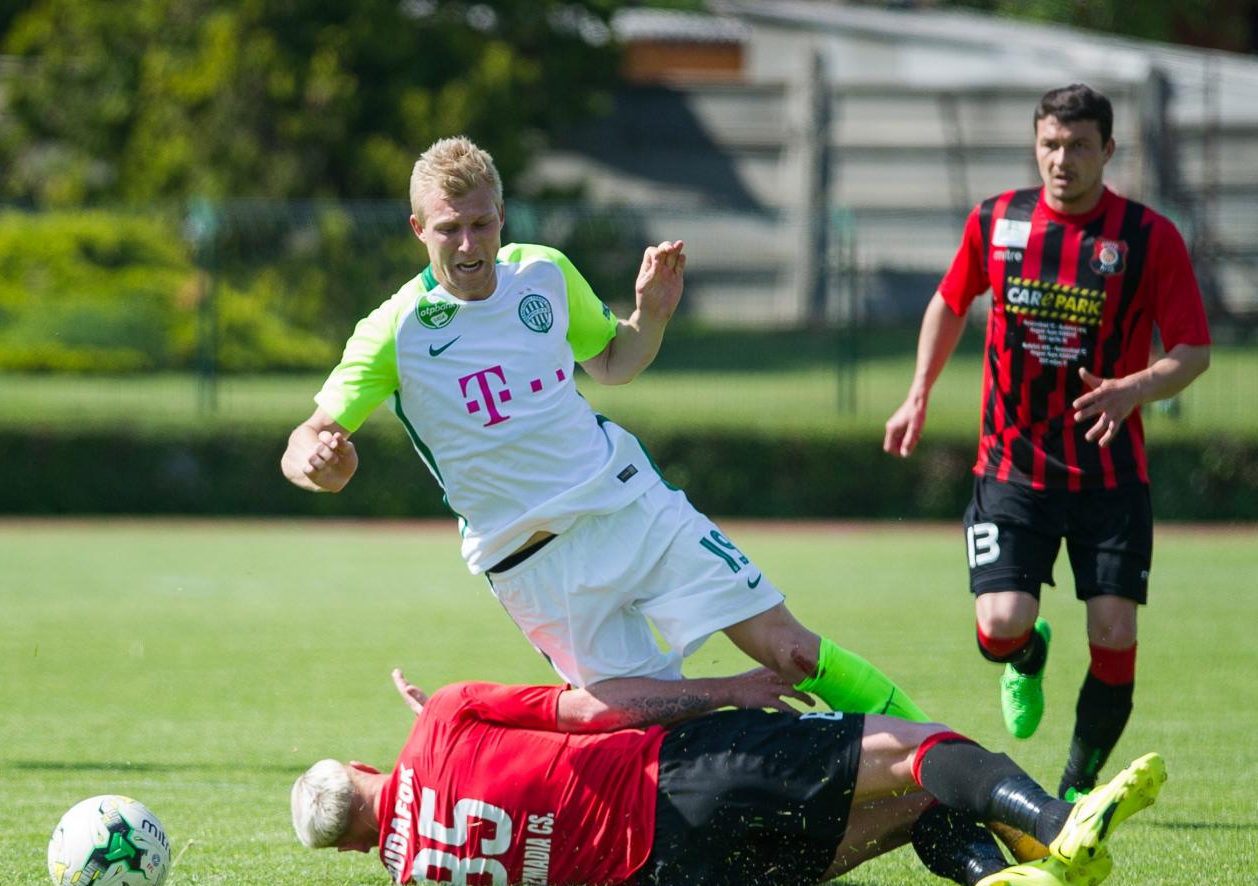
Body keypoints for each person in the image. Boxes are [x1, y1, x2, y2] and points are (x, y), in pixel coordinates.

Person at [282, 135, 927, 726]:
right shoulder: (395, 329)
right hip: (534, 565)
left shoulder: (543, 272)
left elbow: (615, 361)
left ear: (501, 214)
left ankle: (943, 761)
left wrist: (651, 315)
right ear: (419, 229)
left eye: (482, 224)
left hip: (629, 504)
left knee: (791, 650)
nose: (470, 246)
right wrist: (317, 463)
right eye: (450, 230)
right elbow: (305, 438)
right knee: (664, 726)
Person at [882, 84, 1212, 799]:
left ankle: (1073, 788)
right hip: (1012, 464)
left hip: (1110, 473)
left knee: (1116, 632)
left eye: (1079, 146)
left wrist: (1134, 388)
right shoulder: (995, 220)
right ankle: (1026, 655)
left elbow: (1193, 349)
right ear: (1036, 145)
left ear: (1108, 151)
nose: (1063, 160)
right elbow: (948, 301)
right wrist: (918, 392)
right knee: (999, 625)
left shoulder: (1148, 237)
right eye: (1051, 145)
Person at [291, 669, 1166, 886]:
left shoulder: (412, 869)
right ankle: (1061, 820)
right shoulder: (441, 722)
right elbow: (594, 709)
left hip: (691, 868)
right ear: (366, 767)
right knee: (925, 748)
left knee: (918, 807)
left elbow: (441, 807)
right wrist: (724, 691)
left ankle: (993, 878)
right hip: (682, 777)